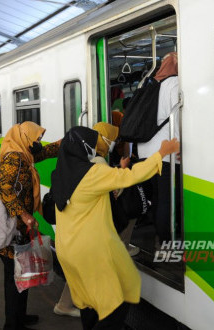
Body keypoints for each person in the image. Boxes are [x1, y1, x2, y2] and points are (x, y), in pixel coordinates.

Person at [52, 126, 179, 330]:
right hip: (89, 250)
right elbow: (130, 177)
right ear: (84, 147)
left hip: (67, 248)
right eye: (92, 145)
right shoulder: (91, 173)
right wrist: (161, 154)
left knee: (88, 302)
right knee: (118, 303)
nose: (95, 149)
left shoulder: (60, 173)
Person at [0, 121, 60, 330]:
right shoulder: (14, 157)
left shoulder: (24, 154)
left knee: (22, 272)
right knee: (14, 279)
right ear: (25, 137)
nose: (38, 143)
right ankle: (12, 324)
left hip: (20, 228)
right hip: (12, 228)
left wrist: (65, 142)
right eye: (36, 139)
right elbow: (5, 190)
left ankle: (19, 317)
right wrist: (24, 215)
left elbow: (44, 153)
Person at [137, 52, 180, 244]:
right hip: (165, 153)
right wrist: (178, 144)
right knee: (167, 199)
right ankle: (167, 239)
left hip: (145, 152)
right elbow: (175, 116)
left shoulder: (151, 85)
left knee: (156, 197)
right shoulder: (174, 83)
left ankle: (158, 234)